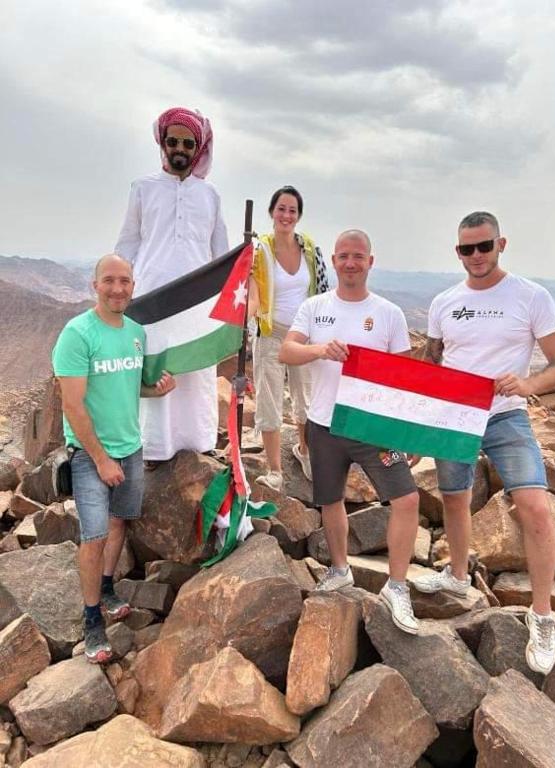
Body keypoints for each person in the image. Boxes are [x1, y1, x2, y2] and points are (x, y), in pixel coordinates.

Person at [413, 211, 555, 674]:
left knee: (535, 506)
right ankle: (457, 575)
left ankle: (541, 616)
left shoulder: (531, 296)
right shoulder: (445, 302)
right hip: (456, 416)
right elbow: (433, 361)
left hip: (507, 415)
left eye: (484, 246)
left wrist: (528, 384)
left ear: (501, 244)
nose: (477, 255)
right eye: (467, 249)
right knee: (454, 497)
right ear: (457, 252)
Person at [279, 230, 421, 634]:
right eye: (343, 256)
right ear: (334, 261)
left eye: (358, 256)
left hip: (372, 425)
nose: (350, 263)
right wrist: (321, 350)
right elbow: (287, 350)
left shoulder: (389, 313)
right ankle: (340, 570)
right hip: (324, 422)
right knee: (330, 500)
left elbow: (405, 377)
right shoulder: (315, 307)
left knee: (407, 498)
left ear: (370, 261)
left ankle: (397, 586)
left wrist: (407, 431)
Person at [52, 254, 176, 663]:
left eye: (124, 281)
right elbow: (72, 405)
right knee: (94, 536)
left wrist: (157, 390)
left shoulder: (136, 333)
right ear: (95, 285)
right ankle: (91, 619)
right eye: (109, 280)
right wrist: (102, 460)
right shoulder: (77, 334)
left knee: (119, 521)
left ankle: (106, 588)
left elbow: (128, 384)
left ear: (133, 286)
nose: (117, 288)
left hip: (130, 446)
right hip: (91, 453)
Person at [115, 107, 229, 466]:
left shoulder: (210, 195)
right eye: (173, 141)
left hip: (198, 303)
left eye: (188, 143)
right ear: (162, 142)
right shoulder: (143, 188)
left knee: (196, 371)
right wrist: (120, 291)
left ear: (198, 148)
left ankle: (199, 443)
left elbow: (221, 254)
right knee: (156, 369)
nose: (180, 148)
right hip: (153, 299)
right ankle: (154, 449)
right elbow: (127, 244)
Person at [249, 185, 328, 492]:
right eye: (281, 208)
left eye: (292, 210)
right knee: (268, 401)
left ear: (299, 215)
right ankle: (274, 470)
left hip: (303, 335)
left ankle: (305, 450)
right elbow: (253, 294)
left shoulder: (309, 248)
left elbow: (321, 290)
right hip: (271, 334)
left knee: (306, 398)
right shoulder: (259, 251)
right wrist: (243, 319)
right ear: (272, 212)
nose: (286, 215)